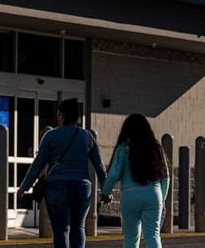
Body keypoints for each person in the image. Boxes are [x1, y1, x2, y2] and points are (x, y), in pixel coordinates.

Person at [19, 99, 106, 248]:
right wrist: (106, 189)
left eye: (59, 114)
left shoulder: (51, 136)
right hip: (82, 188)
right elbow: (99, 165)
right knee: (79, 228)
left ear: (62, 115)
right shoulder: (87, 137)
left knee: (61, 231)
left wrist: (24, 186)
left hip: (57, 187)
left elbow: (38, 163)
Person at [99, 114, 170, 248]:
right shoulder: (156, 147)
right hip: (153, 194)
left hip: (129, 195)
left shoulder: (123, 147)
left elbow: (114, 173)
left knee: (131, 236)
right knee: (153, 235)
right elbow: (165, 177)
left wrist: (105, 193)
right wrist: (162, 198)